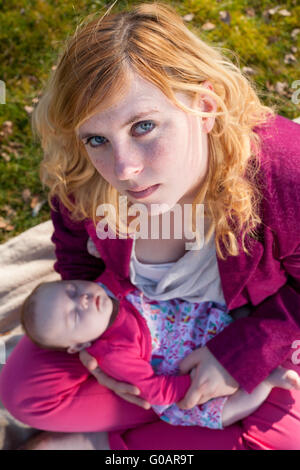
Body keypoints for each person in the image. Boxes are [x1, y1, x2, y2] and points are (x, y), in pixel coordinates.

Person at [0, 1, 299, 450]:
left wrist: (240, 357)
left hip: (245, 331)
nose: (123, 169)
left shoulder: (285, 174)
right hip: (136, 338)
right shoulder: (85, 173)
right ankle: (160, 425)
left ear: (205, 105)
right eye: (97, 138)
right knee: (25, 392)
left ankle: (96, 442)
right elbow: (74, 253)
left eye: (143, 127)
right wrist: (96, 350)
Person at [20, 278, 300, 431]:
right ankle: (267, 382)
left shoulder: (109, 283)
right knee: (222, 413)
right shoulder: (114, 354)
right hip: (184, 373)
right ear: (79, 346)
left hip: (200, 323)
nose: (80, 300)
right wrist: (193, 386)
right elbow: (154, 391)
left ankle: (266, 342)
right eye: (74, 316)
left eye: (71, 289)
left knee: (241, 310)